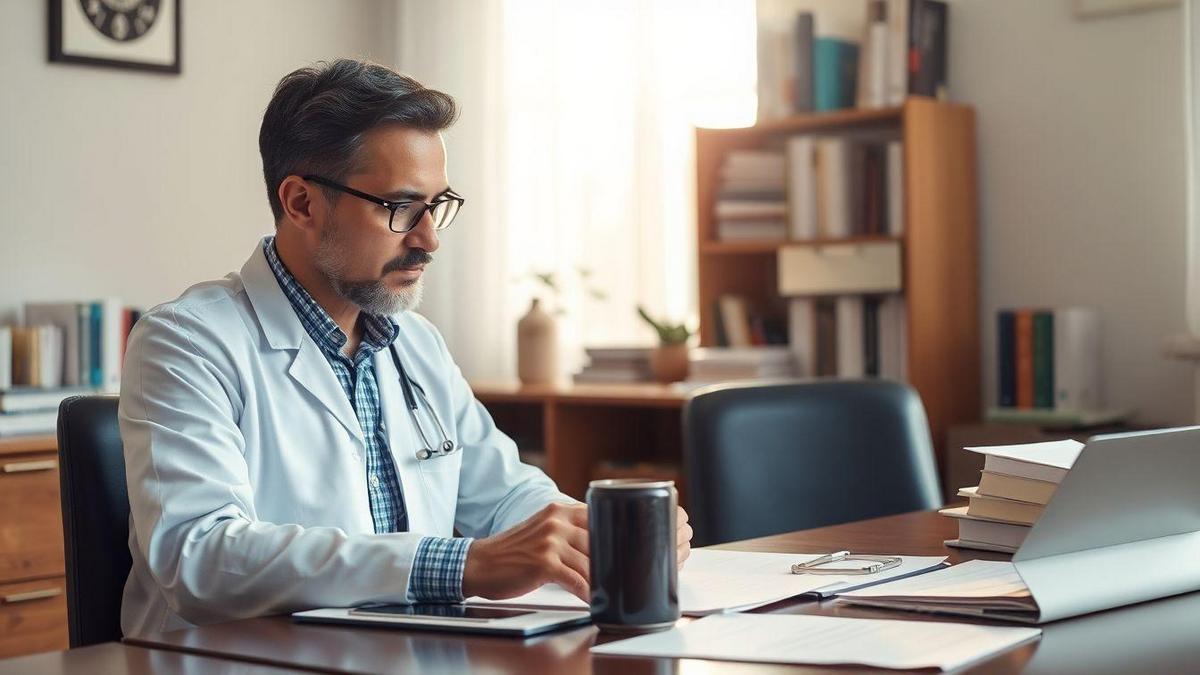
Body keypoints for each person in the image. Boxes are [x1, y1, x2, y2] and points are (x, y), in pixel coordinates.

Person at [119, 59, 692, 636]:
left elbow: (503, 497)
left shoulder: (414, 342)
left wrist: (594, 533)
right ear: (301, 204)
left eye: (436, 205)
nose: (429, 238)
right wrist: (459, 565)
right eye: (399, 208)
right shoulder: (186, 342)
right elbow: (198, 557)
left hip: (410, 653)